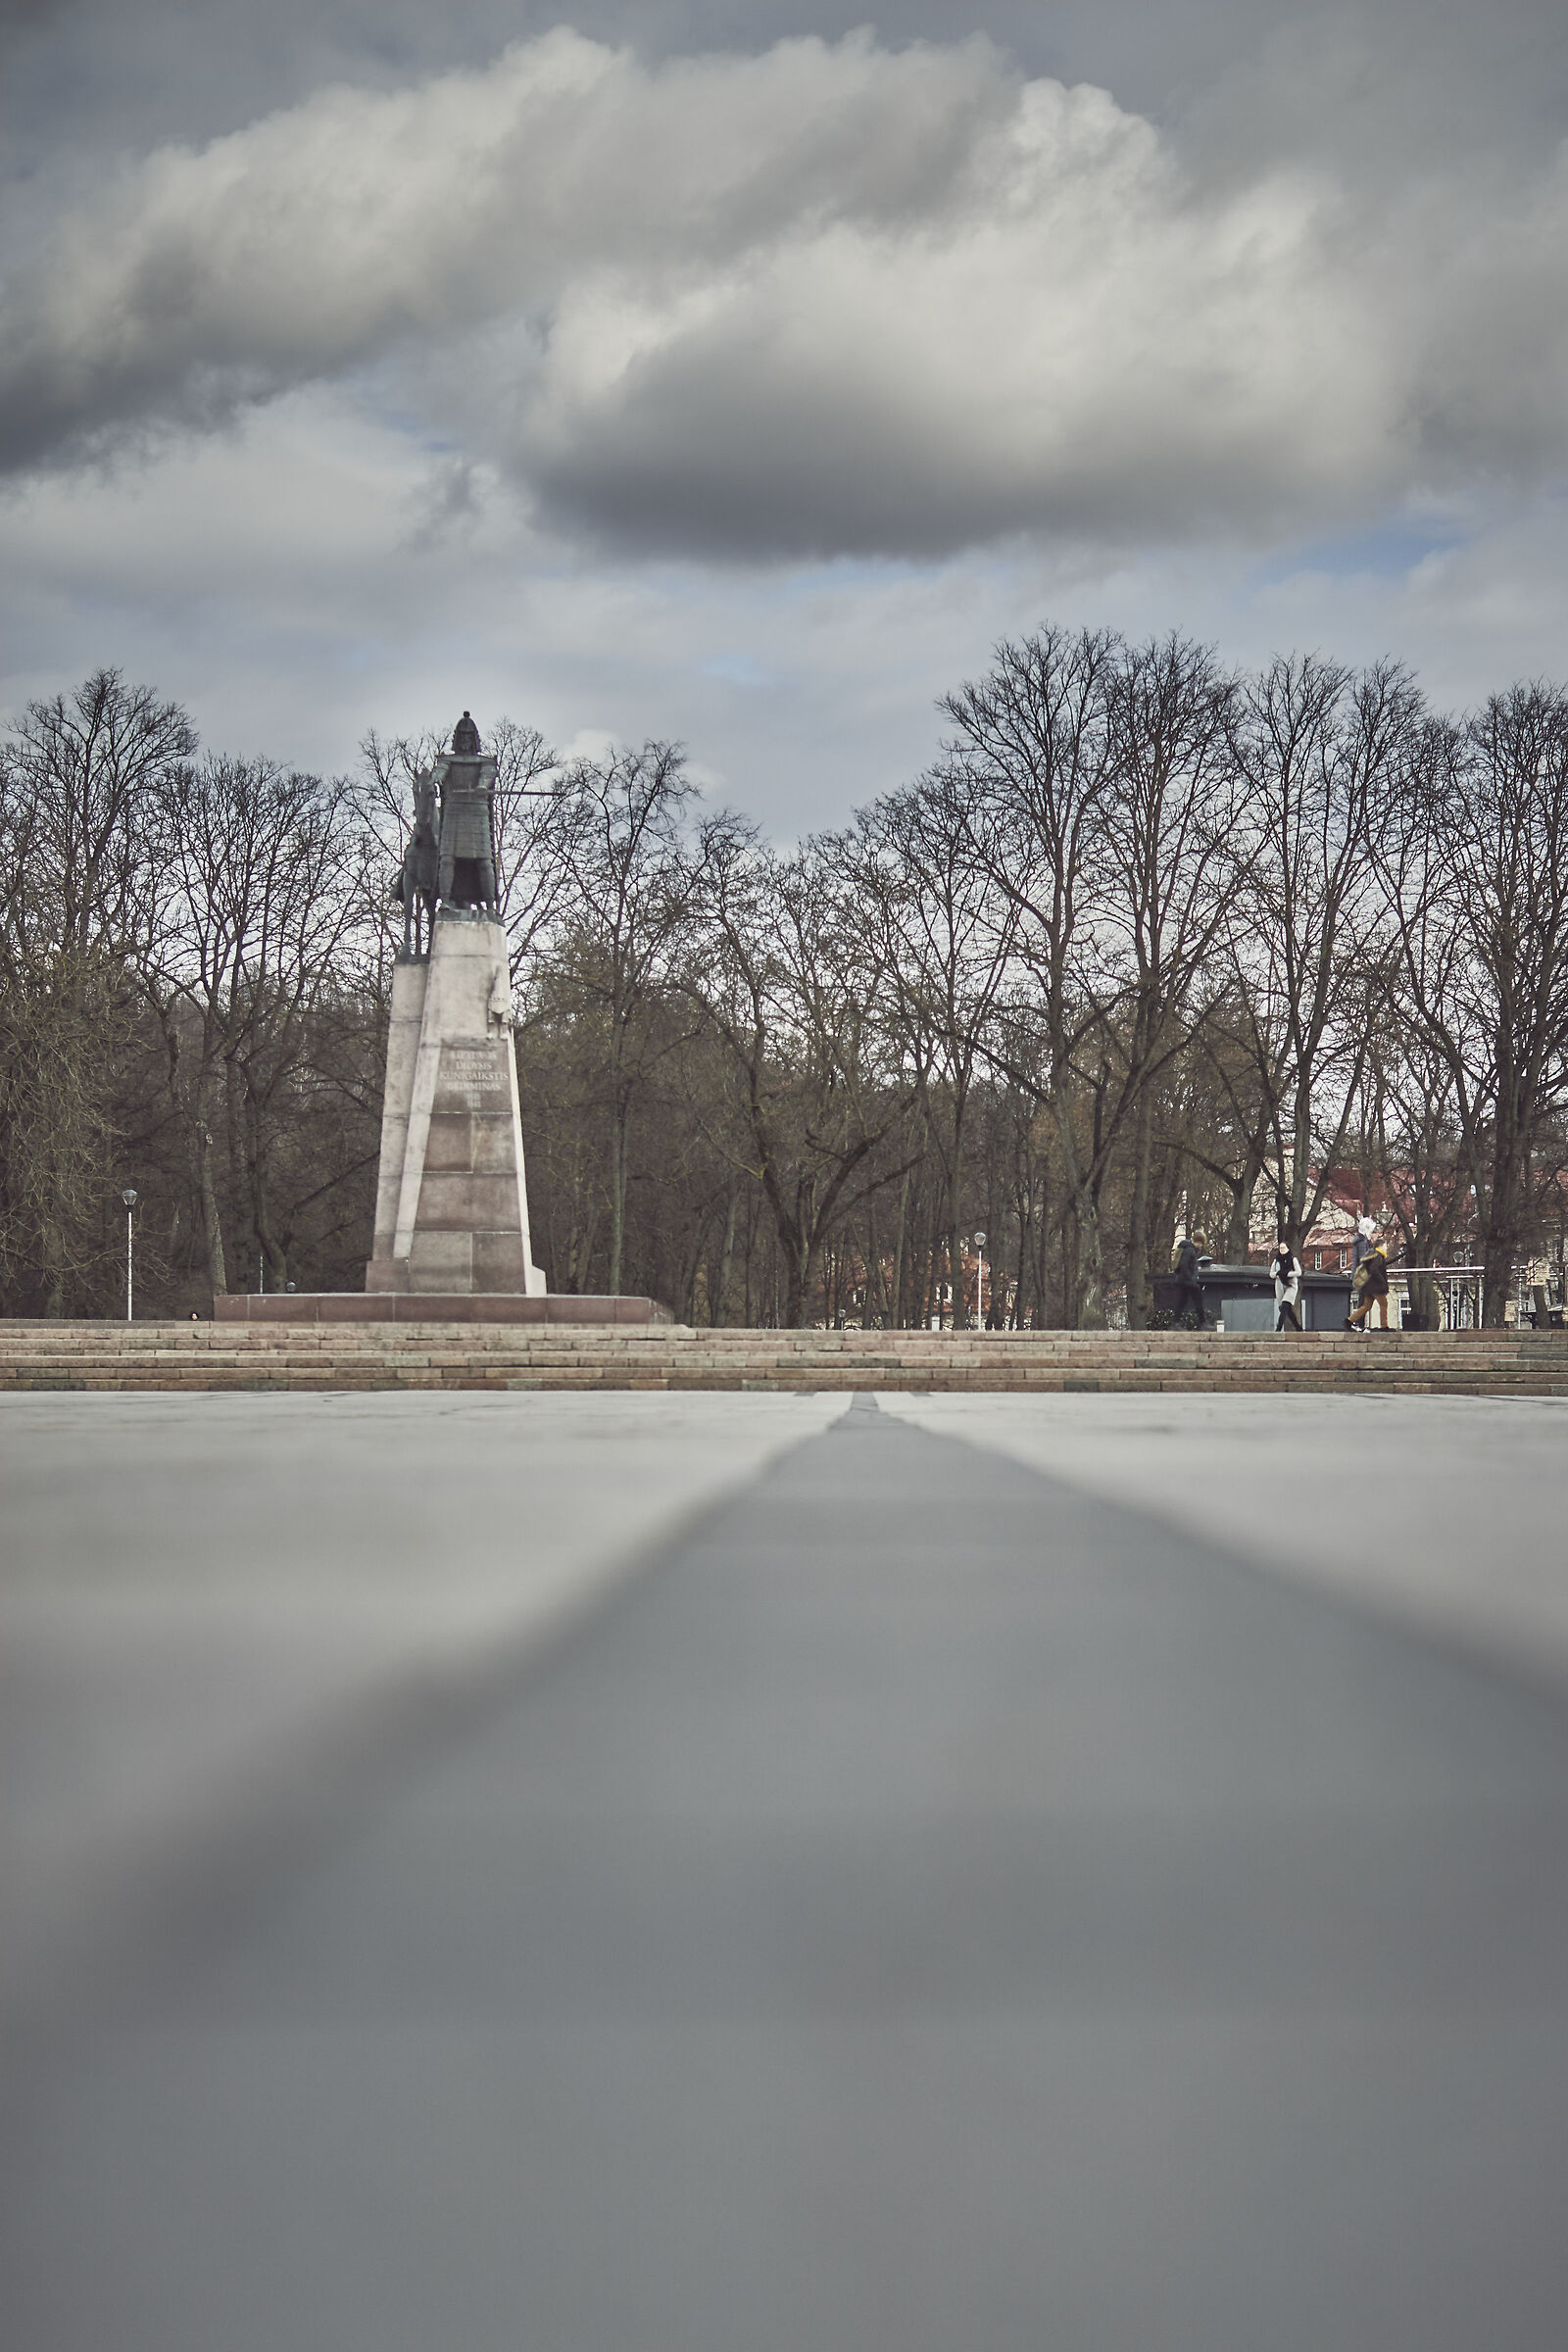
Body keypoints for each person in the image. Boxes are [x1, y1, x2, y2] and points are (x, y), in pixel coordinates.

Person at [1347, 1232, 1393, 1330]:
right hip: (1376, 1287)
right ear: (1380, 1246)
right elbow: (1374, 1269)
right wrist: (1382, 1282)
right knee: (1384, 1304)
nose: (1386, 1248)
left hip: (1368, 1287)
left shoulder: (1371, 1255)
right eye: (1385, 1246)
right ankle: (1384, 1326)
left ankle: (1350, 1320)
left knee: (1366, 1306)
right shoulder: (1378, 1256)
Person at [1172, 1231, 1207, 1329]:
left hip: (1182, 1280)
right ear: (1200, 1242)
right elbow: (1184, 1265)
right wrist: (1191, 1280)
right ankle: (1203, 1323)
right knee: (1198, 1300)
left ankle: (1176, 1323)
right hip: (1187, 1281)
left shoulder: (1187, 1248)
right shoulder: (1189, 1250)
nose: (1201, 1246)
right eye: (1202, 1243)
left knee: (1182, 1301)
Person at [1269, 1236, 1303, 1331]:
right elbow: (1271, 1274)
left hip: (1291, 1285)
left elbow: (1299, 1272)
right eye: (1280, 1248)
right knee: (1286, 1309)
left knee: (1285, 1305)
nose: (1282, 1250)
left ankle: (1278, 1328)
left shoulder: (1293, 1259)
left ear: (1288, 1248)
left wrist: (1287, 1274)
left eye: (1284, 1248)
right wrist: (1278, 1274)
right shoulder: (1276, 1261)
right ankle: (1298, 1327)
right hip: (1280, 1285)